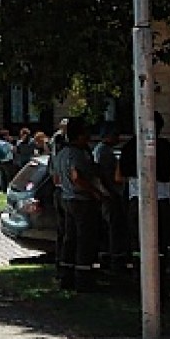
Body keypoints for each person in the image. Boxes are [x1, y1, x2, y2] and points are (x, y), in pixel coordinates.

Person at [118, 111, 170, 253]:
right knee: (160, 240)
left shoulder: (129, 147)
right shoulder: (168, 148)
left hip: (137, 199)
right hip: (161, 199)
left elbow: (118, 176)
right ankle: (161, 269)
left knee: (138, 241)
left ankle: (138, 270)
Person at [56, 117, 105, 291]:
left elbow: (56, 178)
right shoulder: (78, 154)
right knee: (85, 240)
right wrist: (95, 192)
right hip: (81, 200)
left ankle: (66, 277)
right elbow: (77, 178)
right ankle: (83, 280)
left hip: (66, 198)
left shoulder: (61, 153)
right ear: (79, 134)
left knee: (70, 238)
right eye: (86, 133)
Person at [93, 122, 128, 269]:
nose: (118, 138)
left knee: (111, 226)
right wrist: (107, 193)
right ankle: (115, 257)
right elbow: (102, 175)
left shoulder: (101, 150)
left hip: (108, 193)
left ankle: (110, 255)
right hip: (110, 194)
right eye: (116, 135)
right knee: (114, 226)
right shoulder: (104, 152)